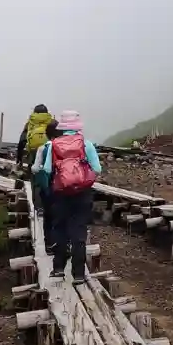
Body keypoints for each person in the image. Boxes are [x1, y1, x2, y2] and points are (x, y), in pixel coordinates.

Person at [41, 110, 101, 282]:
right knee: (79, 232)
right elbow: (97, 169)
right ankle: (79, 274)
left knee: (59, 228)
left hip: (60, 193)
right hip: (82, 194)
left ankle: (59, 268)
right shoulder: (86, 144)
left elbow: (47, 169)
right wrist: (82, 178)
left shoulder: (54, 144)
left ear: (62, 127)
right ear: (77, 126)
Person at [31, 120, 63, 252]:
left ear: (47, 134)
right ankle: (63, 244)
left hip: (48, 189)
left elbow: (35, 168)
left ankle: (49, 245)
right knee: (63, 215)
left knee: (48, 216)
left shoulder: (43, 148)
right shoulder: (67, 148)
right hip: (65, 187)